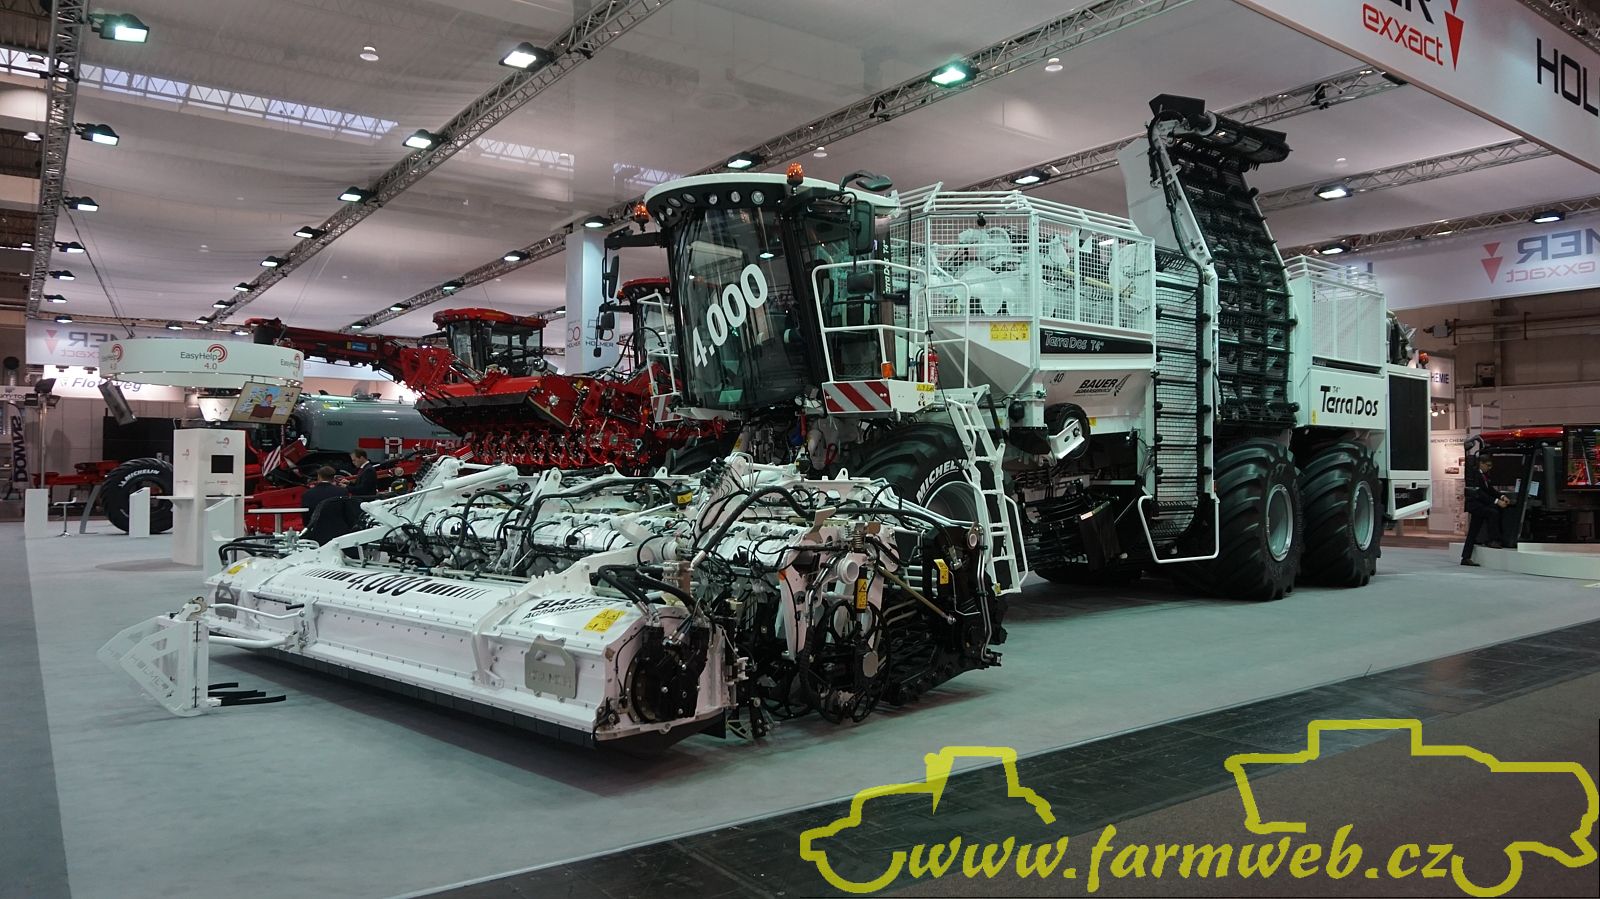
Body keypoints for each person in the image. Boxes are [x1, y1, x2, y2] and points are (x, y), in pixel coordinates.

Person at [1461, 455, 1511, 566]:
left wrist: (1501, 496)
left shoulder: (1483, 476)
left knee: (1473, 531)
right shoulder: (1475, 475)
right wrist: (1496, 501)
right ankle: (1492, 539)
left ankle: (1466, 557)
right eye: (1487, 465)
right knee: (1493, 513)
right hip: (1476, 505)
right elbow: (1480, 493)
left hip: (1480, 505)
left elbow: (1490, 490)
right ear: (1481, 463)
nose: (1489, 468)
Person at [300, 466, 350, 545]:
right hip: (338, 533)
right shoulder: (342, 492)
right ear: (333, 477)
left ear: (319, 476)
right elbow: (347, 513)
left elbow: (306, 517)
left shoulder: (308, 494)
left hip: (316, 534)